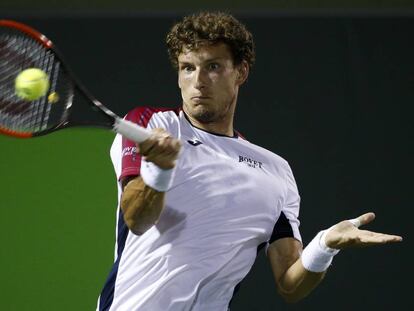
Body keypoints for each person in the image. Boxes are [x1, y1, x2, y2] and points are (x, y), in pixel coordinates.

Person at [96, 12, 402, 311]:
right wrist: (160, 171)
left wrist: (325, 245)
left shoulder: (276, 171)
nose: (198, 81)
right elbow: (136, 219)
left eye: (212, 67)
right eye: (187, 68)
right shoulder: (152, 124)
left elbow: (290, 284)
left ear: (240, 72)